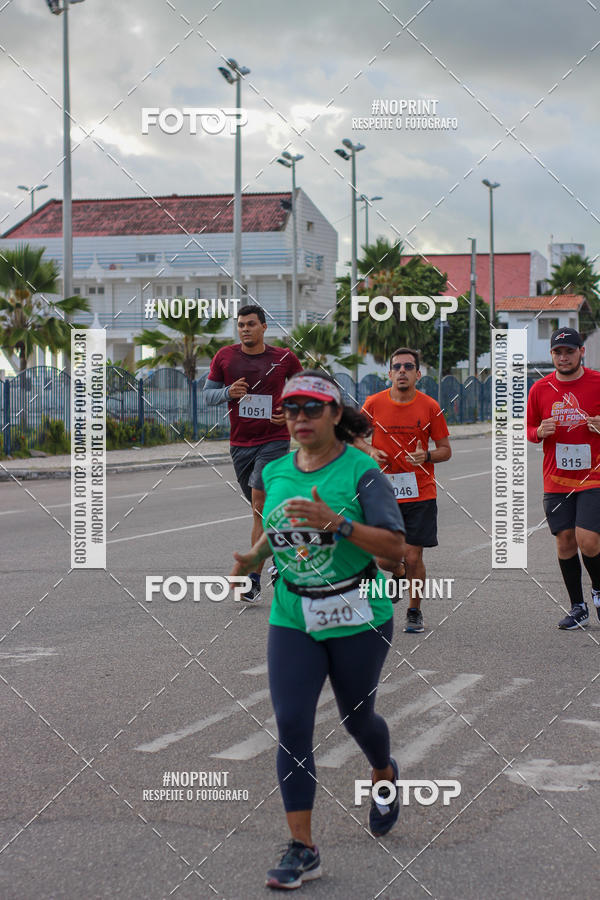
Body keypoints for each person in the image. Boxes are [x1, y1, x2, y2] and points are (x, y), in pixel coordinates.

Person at [230, 371, 407, 890]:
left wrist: (338, 523)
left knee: (358, 718)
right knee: (291, 725)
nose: (300, 418)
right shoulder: (276, 470)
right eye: (291, 409)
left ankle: (383, 771)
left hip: (360, 609)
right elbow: (278, 526)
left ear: (334, 413)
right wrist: (254, 558)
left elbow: (394, 548)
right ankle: (302, 848)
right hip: (293, 613)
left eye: (311, 408)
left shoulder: (362, 471)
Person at [204, 304, 302, 600]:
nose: (245, 329)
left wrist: (290, 412)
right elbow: (207, 395)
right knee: (267, 512)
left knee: (259, 505)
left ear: (263, 327)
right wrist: (228, 392)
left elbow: (305, 392)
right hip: (240, 445)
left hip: (274, 439)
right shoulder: (225, 356)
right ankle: (286, 554)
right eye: (241, 325)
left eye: (250, 324)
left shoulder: (284, 358)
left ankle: (253, 580)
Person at [354, 347, 451, 634]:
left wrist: (427, 456)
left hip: (420, 491)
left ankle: (414, 610)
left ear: (418, 374)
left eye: (408, 367)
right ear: (389, 373)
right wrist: (370, 450)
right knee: (384, 557)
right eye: (397, 367)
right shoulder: (373, 403)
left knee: (413, 555)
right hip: (383, 491)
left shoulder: (430, 407)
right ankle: (397, 573)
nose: (402, 371)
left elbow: (446, 450)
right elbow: (353, 436)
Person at [526, 327, 600, 629]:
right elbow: (529, 428)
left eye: (569, 351)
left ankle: (598, 591)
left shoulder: (597, 382)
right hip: (556, 480)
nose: (564, 357)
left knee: (588, 540)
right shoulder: (539, 389)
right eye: (558, 352)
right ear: (552, 355)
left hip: (594, 477)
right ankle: (578, 606)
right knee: (566, 542)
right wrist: (538, 432)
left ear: (581, 352)